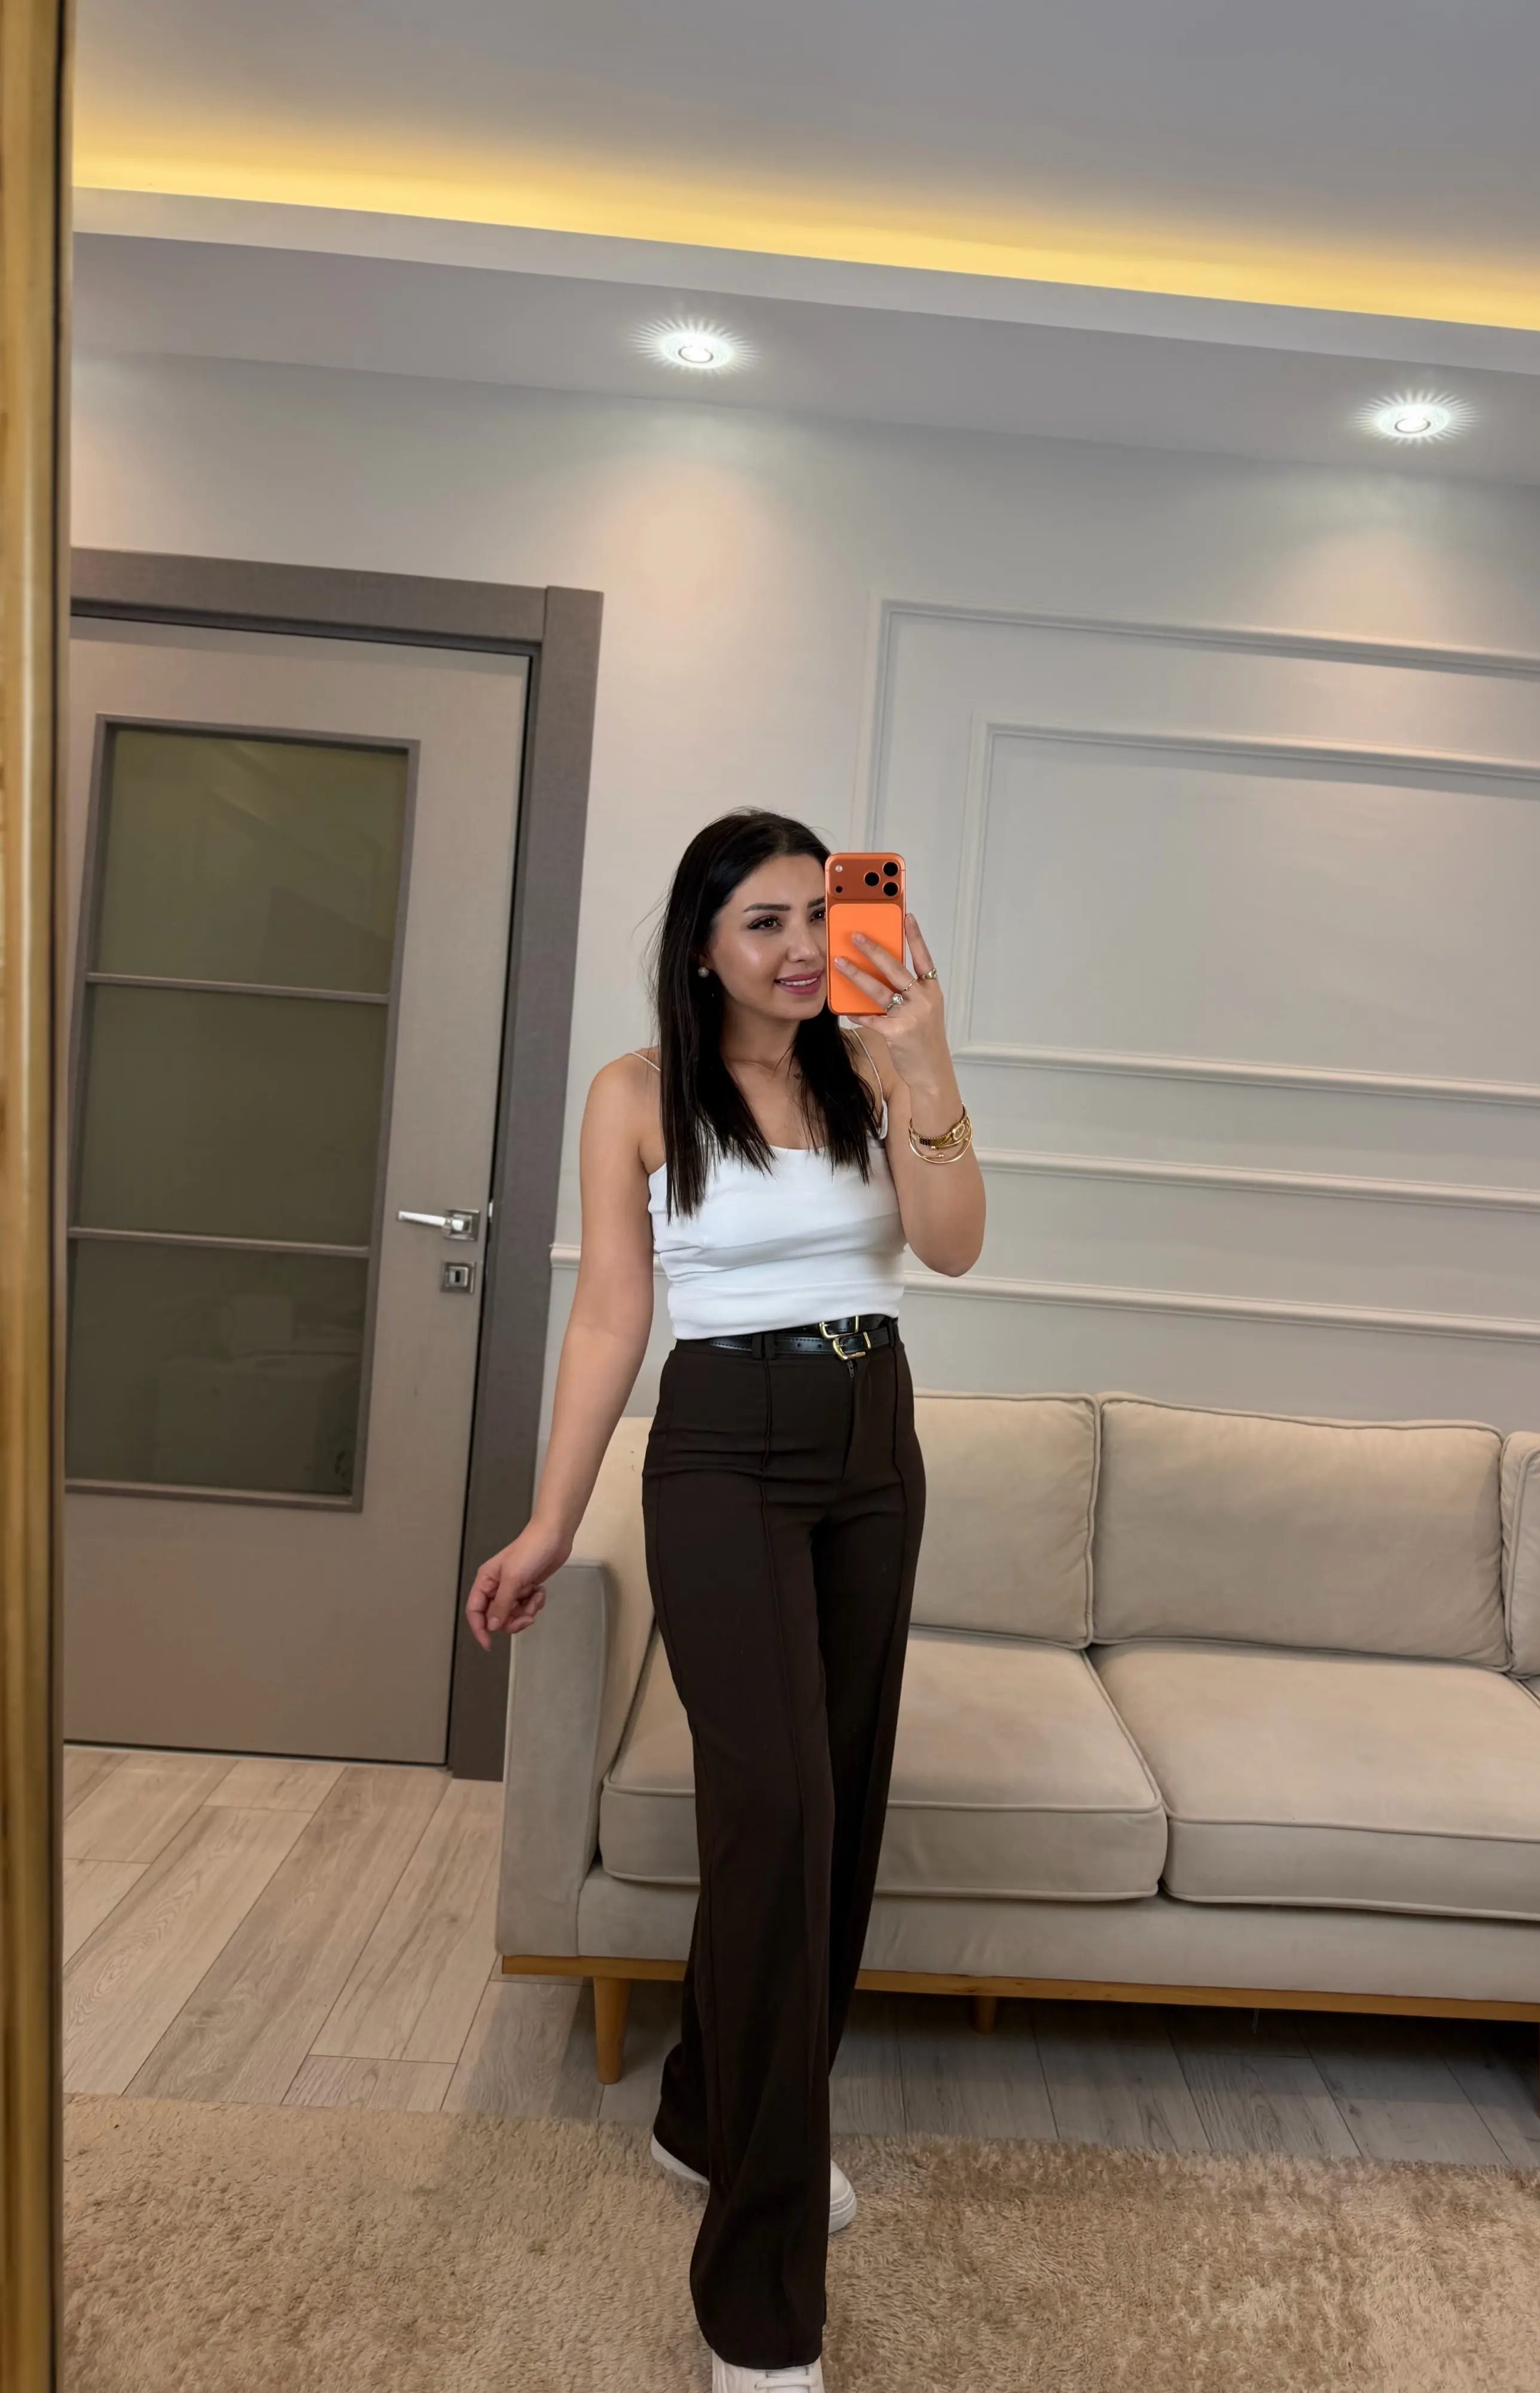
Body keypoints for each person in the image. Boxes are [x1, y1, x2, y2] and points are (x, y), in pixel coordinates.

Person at [466, 808, 986, 2392]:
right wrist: (551, 1521)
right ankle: (759, 2304)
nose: (803, 947)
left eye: (820, 914)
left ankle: (709, 2116)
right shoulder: (638, 1094)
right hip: (723, 1453)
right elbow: (610, 1322)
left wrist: (927, 1059)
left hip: (873, 1446)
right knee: (778, 1817)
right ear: (702, 946)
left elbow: (955, 1249)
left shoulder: (874, 1066)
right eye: (765, 922)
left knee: (840, 1807)